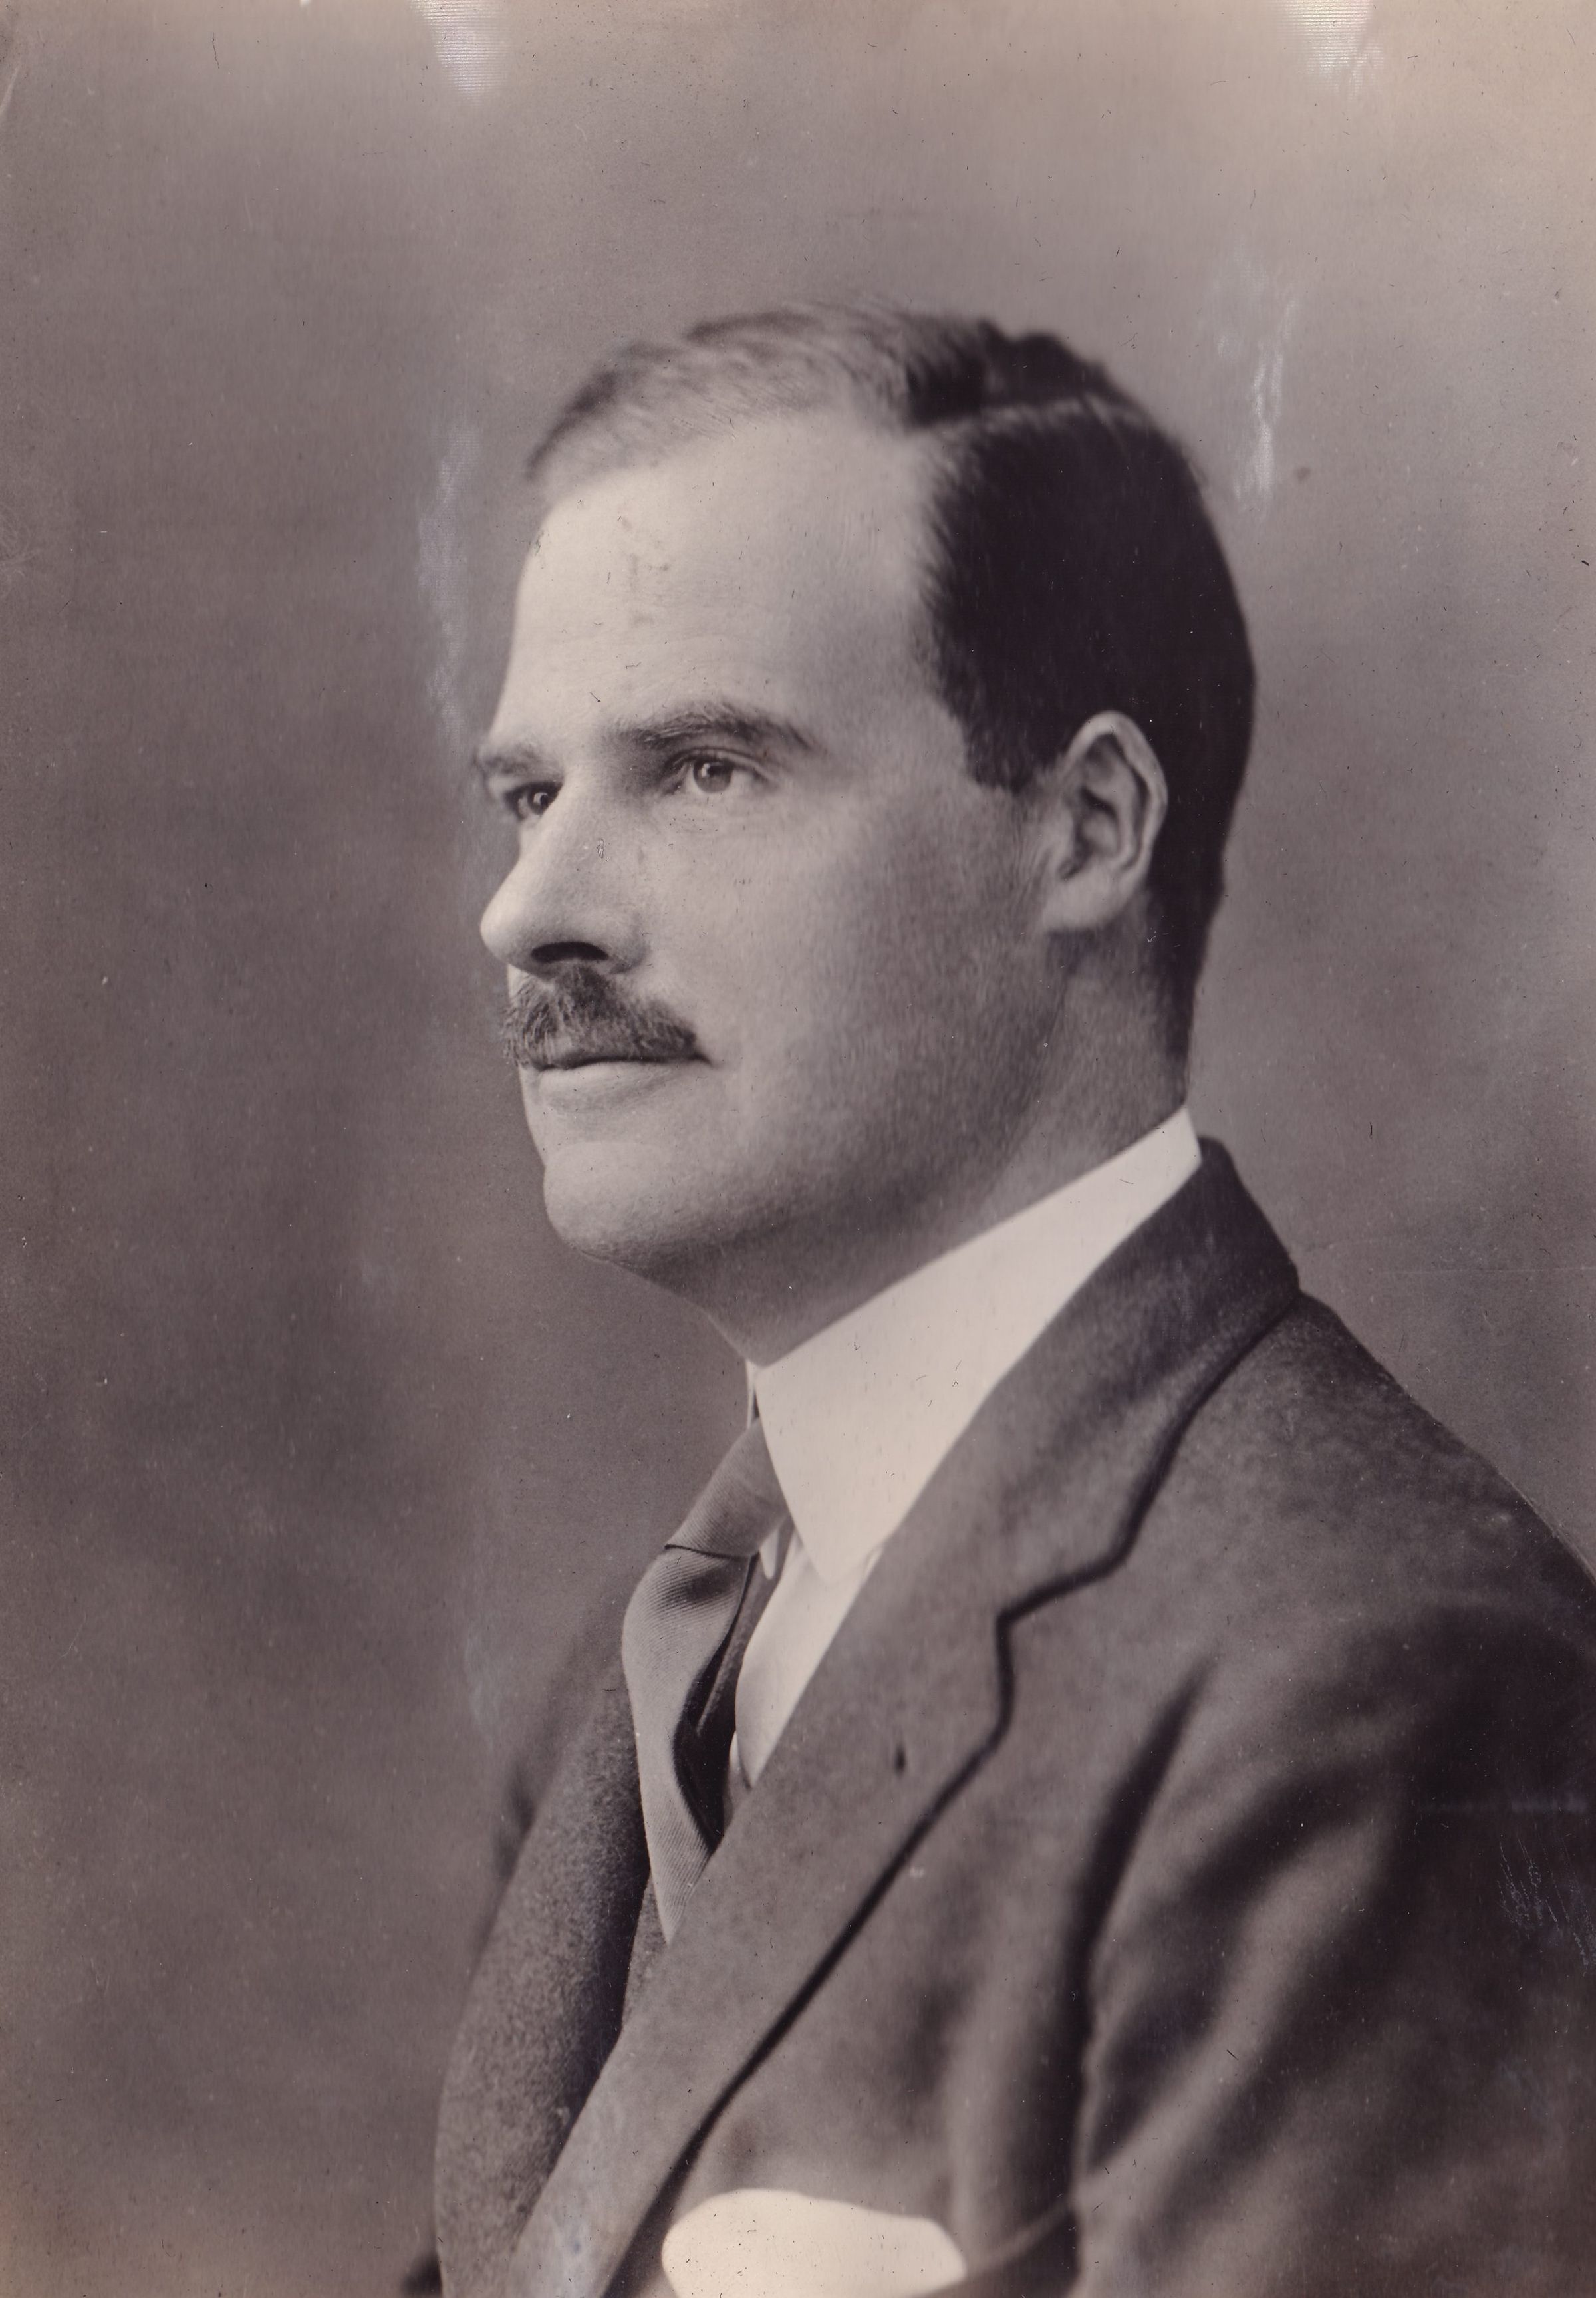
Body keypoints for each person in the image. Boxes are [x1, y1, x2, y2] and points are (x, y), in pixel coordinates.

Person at [432, 307, 1596, 2298]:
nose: (528, 908)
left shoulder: (1380, 1699)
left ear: (1088, 831)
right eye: (529, 795)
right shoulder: (645, 1682)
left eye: (705, 768)